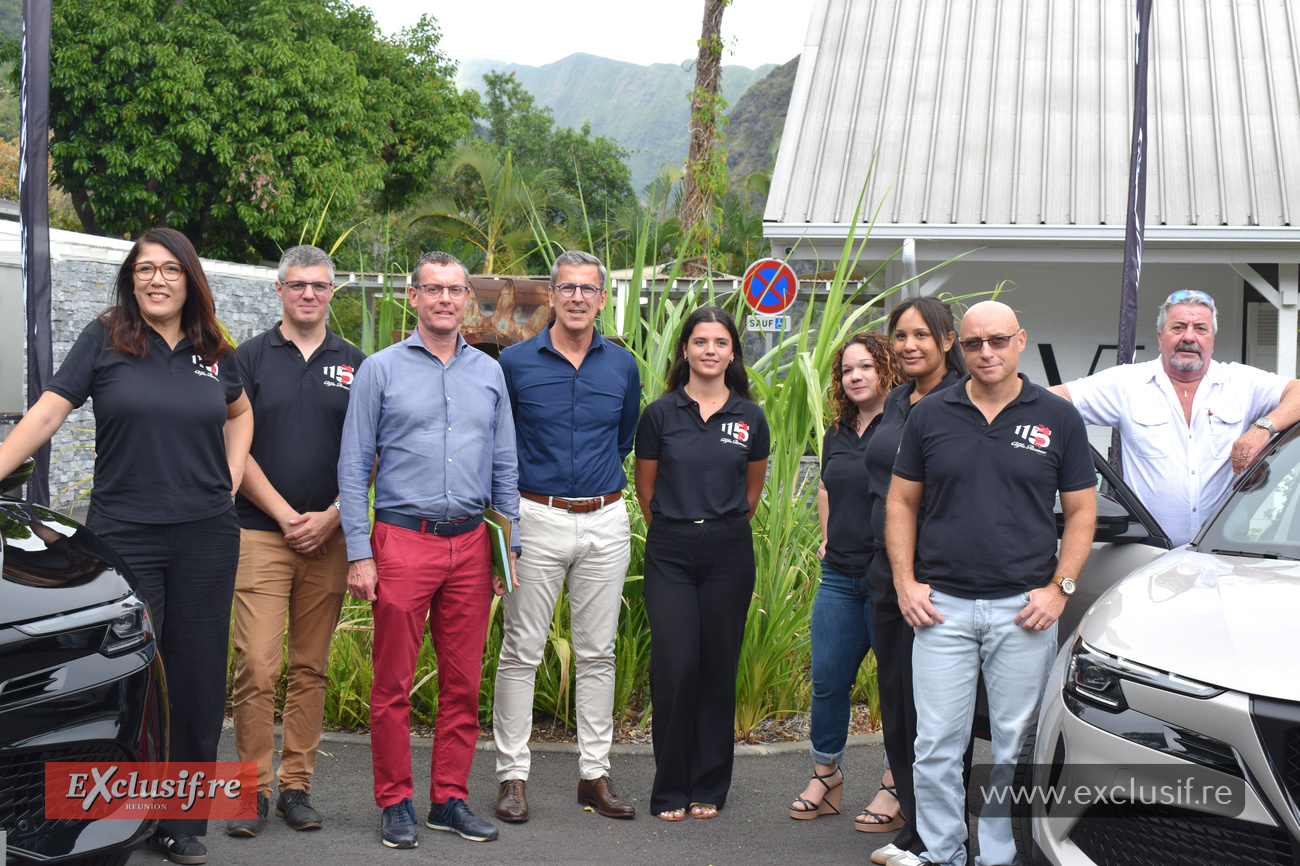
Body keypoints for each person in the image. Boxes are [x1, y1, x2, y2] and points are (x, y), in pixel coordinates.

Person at [0, 227, 253, 865]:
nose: (157, 279)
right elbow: (48, 413)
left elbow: (242, 412)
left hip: (206, 538)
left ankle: (183, 824)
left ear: (190, 279)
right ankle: (113, 817)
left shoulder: (215, 348)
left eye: (170, 269)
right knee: (130, 680)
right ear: (131, 277)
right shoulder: (105, 337)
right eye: (145, 269)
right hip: (124, 537)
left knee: (196, 683)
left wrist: (231, 474)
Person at [886, 301, 1096, 866]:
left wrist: (1061, 589)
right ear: (961, 347)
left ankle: (1000, 857)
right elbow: (902, 501)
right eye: (975, 344)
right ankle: (943, 853)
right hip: (941, 608)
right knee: (934, 746)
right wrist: (906, 582)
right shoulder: (931, 414)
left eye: (998, 341)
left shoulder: (1057, 416)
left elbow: (1080, 512)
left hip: (1023, 610)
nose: (986, 353)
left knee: (1013, 747)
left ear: (1020, 340)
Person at [338, 251, 519, 850]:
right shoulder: (380, 370)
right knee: (392, 683)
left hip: (470, 544)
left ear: (468, 298)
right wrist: (359, 553)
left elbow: (504, 464)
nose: (445, 300)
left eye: (455, 290)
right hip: (400, 541)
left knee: (463, 682)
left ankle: (448, 798)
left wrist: (505, 547)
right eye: (432, 289)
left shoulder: (489, 374)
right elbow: (354, 464)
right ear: (412, 297)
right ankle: (395, 802)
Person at [493, 250, 641, 823]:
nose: (578, 298)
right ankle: (512, 777)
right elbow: (501, 441)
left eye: (588, 289)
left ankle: (594, 776)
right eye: (567, 288)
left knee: (598, 652)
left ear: (602, 299)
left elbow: (623, 437)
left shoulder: (621, 366)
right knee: (521, 651)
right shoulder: (514, 362)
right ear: (550, 296)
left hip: (605, 518)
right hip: (536, 516)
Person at [226, 245, 367, 838]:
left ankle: (296, 789)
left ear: (333, 293)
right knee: (256, 664)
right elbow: (234, 443)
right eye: (297, 284)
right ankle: (252, 791)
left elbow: (369, 450)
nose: (308, 294)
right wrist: (287, 514)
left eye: (319, 285)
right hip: (261, 532)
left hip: (330, 538)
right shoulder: (248, 358)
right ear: (279, 290)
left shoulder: (360, 364)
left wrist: (334, 515)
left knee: (310, 668)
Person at [634, 306, 770, 822]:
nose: (709, 350)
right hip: (670, 548)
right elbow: (647, 489)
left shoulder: (749, 416)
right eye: (700, 341)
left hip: (729, 551)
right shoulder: (660, 414)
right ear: (685, 350)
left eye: (719, 342)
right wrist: (676, 528)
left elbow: (750, 492)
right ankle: (669, 787)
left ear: (733, 352)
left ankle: (709, 784)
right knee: (676, 665)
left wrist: (717, 526)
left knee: (717, 666)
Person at [1052, 289, 1300, 546]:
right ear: (1160, 337)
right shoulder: (1127, 383)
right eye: (1178, 327)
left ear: (1211, 340)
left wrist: (1263, 429)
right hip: (1147, 557)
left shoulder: (1241, 383)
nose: (1189, 337)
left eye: (1200, 329)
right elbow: (1054, 399)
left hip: (1222, 557)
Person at [860, 297, 966, 866]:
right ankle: (918, 827)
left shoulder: (967, 401)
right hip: (887, 572)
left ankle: (948, 832)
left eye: (922, 334)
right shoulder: (896, 400)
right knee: (898, 703)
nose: (909, 345)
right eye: (900, 335)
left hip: (941, 577)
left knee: (942, 712)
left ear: (948, 341)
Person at [788, 332, 908, 832]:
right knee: (828, 679)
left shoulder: (906, 424)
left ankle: (895, 783)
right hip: (839, 575)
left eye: (865, 367)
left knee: (896, 687)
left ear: (886, 370)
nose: (854, 377)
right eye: (846, 370)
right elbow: (824, 484)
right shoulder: (838, 429)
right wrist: (827, 535)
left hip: (889, 576)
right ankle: (826, 775)